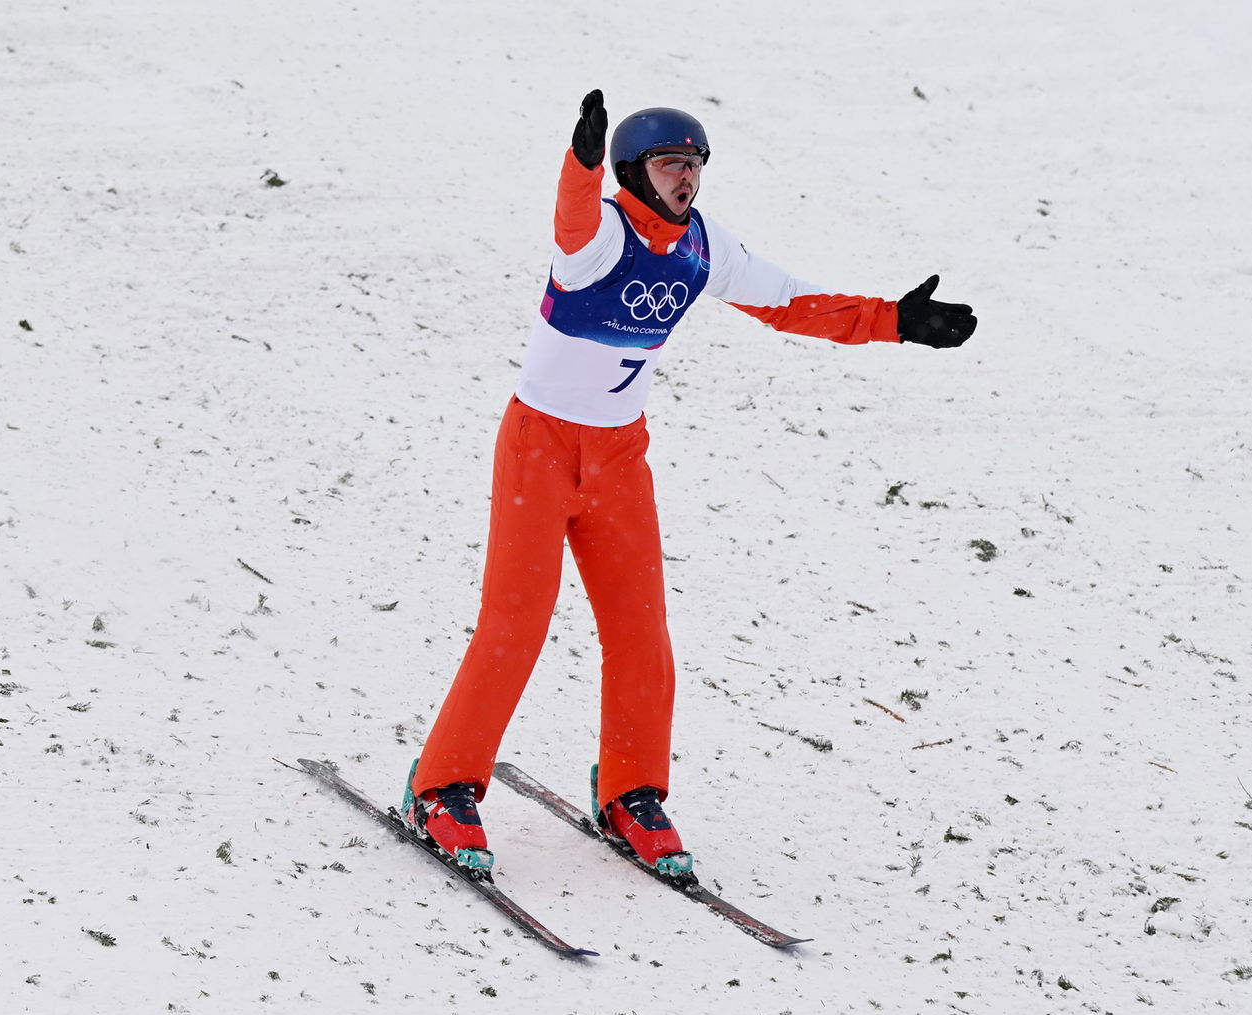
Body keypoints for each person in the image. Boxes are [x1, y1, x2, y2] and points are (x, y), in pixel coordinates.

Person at [402, 89, 975, 879]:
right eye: (673, 164)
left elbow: (790, 302)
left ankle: (633, 793)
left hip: (618, 461)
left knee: (641, 630)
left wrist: (895, 321)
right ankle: (442, 788)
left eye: (696, 165)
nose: (688, 179)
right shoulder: (599, 238)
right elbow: (570, 219)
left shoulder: (703, 247)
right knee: (515, 624)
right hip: (538, 449)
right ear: (635, 170)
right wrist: (580, 161)